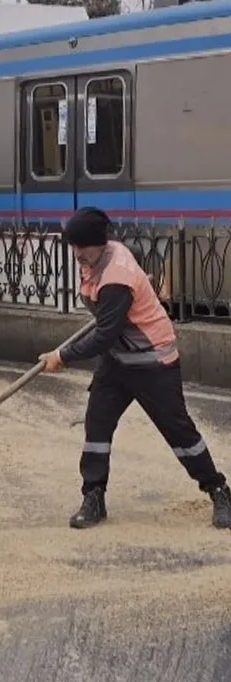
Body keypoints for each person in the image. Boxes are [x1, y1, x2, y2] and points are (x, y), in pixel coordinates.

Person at [39, 207, 231, 530]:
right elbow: (130, 274)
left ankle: (218, 489)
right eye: (73, 247)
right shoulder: (106, 255)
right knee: (97, 424)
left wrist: (62, 355)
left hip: (152, 361)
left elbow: (104, 336)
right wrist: (143, 282)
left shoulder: (116, 277)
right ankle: (94, 496)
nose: (76, 254)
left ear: (99, 244)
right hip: (118, 362)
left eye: (81, 247)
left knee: (180, 433)